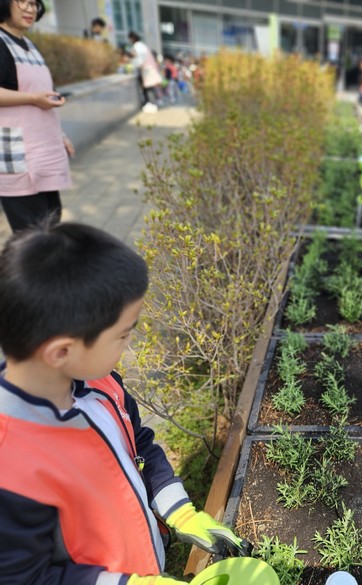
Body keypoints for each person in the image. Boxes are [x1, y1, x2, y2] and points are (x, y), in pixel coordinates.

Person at [0, 222, 249, 584]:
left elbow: (138, 445)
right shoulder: (11, 466)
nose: (129, 344)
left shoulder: (98, 380)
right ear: (61, 352)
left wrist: (179, 511)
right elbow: (26, 578)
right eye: (122, 335)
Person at [0, 0, 74, 232]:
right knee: (32, 238)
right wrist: (33, 98)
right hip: (18, 158)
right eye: (22, 1)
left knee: (50, 228)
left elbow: (44, 94)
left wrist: (61, 135)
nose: (30, 9)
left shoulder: (31, 45)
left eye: (34, 3)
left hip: (43, 152)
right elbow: (34, 96)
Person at [128, 31, 162, 114]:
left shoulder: (137, 46)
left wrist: (133, 66)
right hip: (149, 69)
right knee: (149, 88)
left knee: (148, 88)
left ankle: (152, 104)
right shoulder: (142, 45)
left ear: (132, 38)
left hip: (147, 70)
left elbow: (139, 60)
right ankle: (152, 103)